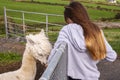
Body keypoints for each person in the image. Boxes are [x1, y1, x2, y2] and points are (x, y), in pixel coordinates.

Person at [48, 1, 117, 80]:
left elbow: (56, 51)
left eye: (66, 20)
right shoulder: (96, 30)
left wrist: (49, 63)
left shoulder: (67, 30)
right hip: (93, 77)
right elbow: (112, 56)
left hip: (73, 78)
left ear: (69, 19)